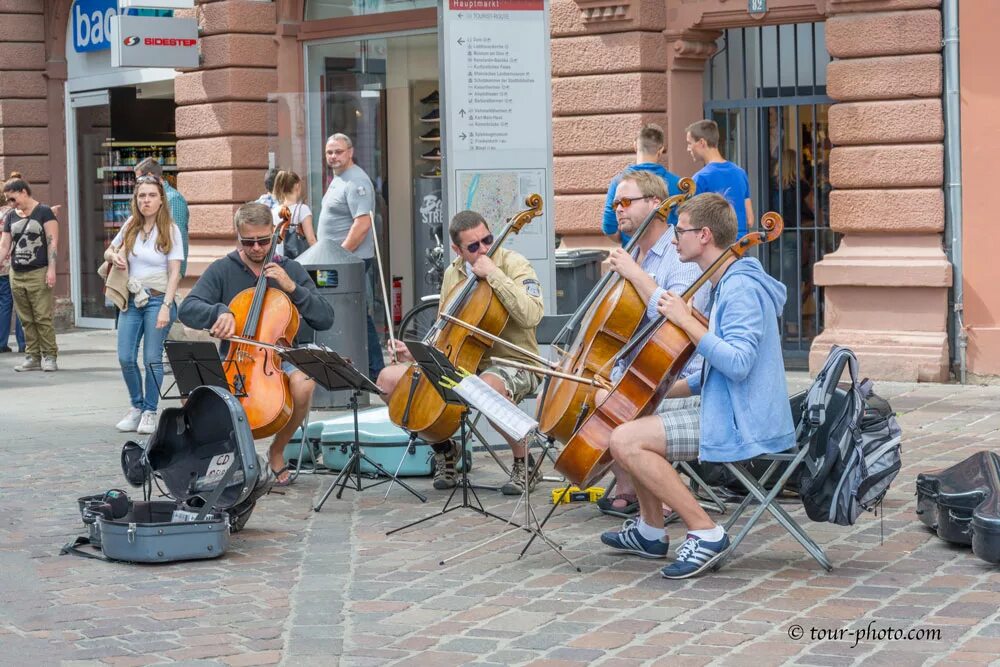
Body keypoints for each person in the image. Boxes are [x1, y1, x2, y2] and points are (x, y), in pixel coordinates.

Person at [599, 193, 794, 579]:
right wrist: (646, 391)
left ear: (704, 235)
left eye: (681, 231)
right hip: (726, 403)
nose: (674, 239)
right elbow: (712, 377)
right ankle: (651, 531)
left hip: (743, 418)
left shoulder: (740, 288)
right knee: (628, 411)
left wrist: (687, 321)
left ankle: (705, 531)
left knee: (626, 440)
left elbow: (738, 365)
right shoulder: (727, 281)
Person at [377, 210, 544, 495]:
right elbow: (447, 330)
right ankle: (444, 449)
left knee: (487, 387)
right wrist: (416, 354)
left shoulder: (514, 264)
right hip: (464, 363)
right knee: (389, 380)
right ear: (457, 249)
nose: (483, 249)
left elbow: (532, 315)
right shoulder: (452, 274)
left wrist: (494, 275)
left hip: (514, 362)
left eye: (487, 240)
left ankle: (524, 461)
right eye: (473, 246)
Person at [178, 203, 334, 486]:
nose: (257, 248)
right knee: (192, 395)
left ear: (274, 235)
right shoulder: (223, 270)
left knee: (304, 383)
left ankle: (277, 450)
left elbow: (325, 318)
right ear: (238, 236)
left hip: (277, 359)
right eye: (249, 242)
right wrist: (218, 312)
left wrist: (293, 288)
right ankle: (226, 459)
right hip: (235, 358)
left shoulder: (290, 270)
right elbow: (187, 308)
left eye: (263, 240)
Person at [593, 170, 710, 517]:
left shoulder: (680, 253)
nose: (619, 209)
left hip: (675, 375)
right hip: (637, 370)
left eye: (627, 201)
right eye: (615, 203)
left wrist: (634, 275)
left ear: (656, 203)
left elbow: (675, 319)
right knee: (583, 391)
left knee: (605, 401)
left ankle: (658, 496)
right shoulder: (631, 252)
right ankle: (633, 489)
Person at [107, 175, 183, 434]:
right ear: (135, 200)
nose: (146, 200)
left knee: (151, 358)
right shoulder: (130, 225)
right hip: (132, 298)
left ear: (161, 200)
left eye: (151, 195)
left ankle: (151, 410)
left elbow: (175, 272)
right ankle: (136, 407)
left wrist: (166, 306)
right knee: (125, 356)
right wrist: (115, 255)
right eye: (141, 196)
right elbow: (109, 250)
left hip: (158, 298)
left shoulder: (170, 230)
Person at [315, 133, 384, 380]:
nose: (333, 156)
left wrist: (340, 255)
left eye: (338, 151)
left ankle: (375, 371)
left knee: (352, 314)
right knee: (344, 312)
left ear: (350, 152)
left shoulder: (357, 181)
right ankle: (354, 369)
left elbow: (363, 224)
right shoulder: (339, 179)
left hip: (348, 261)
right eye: (329, 152)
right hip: (336, 261)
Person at [0, 172, 59, 372]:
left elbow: (52, 244)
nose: (10, 202)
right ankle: (32, 356)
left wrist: (51, 270)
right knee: (25, 318)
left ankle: (49, 356)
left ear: (23, 192)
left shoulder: (44, 212)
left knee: (42, 317)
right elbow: (4, 245)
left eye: (12, 198)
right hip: (16, 273)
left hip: (39, 272)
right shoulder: (10, 216)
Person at [602, 123, 682, 246]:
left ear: (635, 146)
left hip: (632, 253)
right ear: (661, 150)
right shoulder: (678, 183)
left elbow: (609, 227)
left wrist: (630, 241)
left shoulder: (619, 182)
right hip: (669, 251)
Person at [685, 120, 754, 238]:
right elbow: (750, 219)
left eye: (690, 143)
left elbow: (693, 221)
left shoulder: (700, 178)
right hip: (740, 245)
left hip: (715, 247)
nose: (688, 148)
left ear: (702, 142)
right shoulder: (740, 173)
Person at [134, 158, 189, 277]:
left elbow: (178, 239)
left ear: (149, 176)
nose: (137, 184)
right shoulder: (149, 202)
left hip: (165, 275)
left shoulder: (173, 199)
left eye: (138, 179)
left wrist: (177, 275)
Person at [270, 170, 316, 259]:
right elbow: (311, 239)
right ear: (297, 185)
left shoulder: (274, 211)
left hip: (279, 260)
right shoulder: (302, 209)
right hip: (299, 260)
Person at [0, 197, 26, 354]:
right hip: (13, 264)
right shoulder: (11, 213)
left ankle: (1, 342)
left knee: (4, 304)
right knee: (21, 304)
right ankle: (23, 342)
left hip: (1, 265)